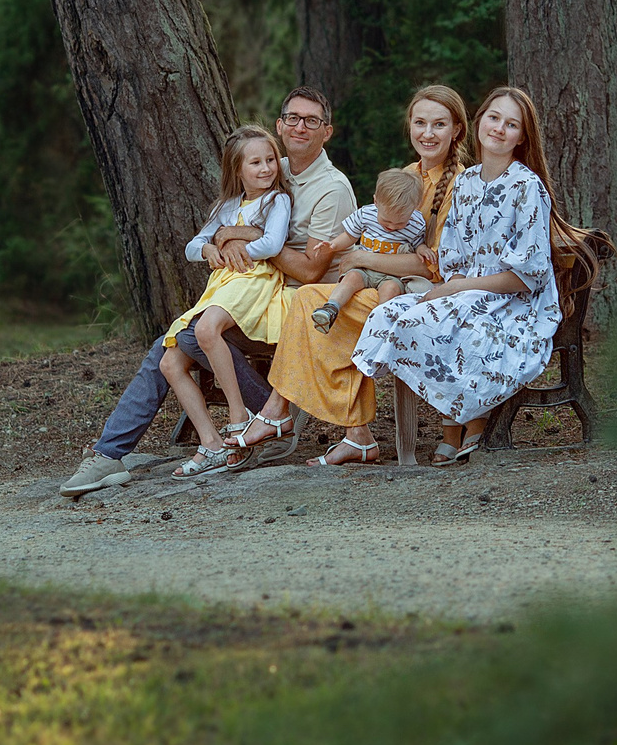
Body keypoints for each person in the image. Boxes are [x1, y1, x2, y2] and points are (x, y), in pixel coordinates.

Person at [58, 87, 356, 494]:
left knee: (187, 335)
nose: (300, 127)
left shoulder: (331, 188)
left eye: (312, 120)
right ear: (279, 125)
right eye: (293, 118)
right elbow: (212, 234)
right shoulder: (271, 167)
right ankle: (111, 454)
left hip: (303, 299)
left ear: (328, 131)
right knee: (171, 347)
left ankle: (265, 415)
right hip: (253, 290)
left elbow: (309, 270)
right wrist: (222, 242)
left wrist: (244, 235)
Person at [228, 85, 470, 466]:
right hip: (382, 283)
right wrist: (349, 254)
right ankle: (354, 434)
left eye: (438, 124)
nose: (427, 133)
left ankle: (286, 415)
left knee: (314, 301)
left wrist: (361, 257)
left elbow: (436, 264)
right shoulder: (405, 176)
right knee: (311, 299)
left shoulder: (462, 184)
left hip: (424, 294)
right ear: (409, 126)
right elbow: (368, 229)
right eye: (420, 123)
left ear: (456, 130)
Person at [351, 85, 563, 466]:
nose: (499, 129)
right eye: (494, 118)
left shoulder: (527, 186)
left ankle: (468, 423)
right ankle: (455, 422)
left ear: (522, 136)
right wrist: (454, 287)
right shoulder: (465, 183)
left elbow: (526, 276)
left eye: (511, 124)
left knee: (447, 320)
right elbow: (452, 259)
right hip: (465, 289)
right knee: (390, 313)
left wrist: (458, 288)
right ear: (479, 122)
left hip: (516, 300)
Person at [159, 127, 293, 472]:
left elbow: (273, 245)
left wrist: (233, 240)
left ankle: (238, 416)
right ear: (237, 170)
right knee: (169, 363)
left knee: (206, 330)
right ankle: (212, 442)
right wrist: (208, 247)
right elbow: (192, 247)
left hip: (254, 277)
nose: (266, 168)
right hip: (222, 284)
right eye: (256, 163)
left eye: (270, 160)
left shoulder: (277, 200)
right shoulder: (226, 205)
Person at [308, 167, 428, 333]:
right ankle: (331, 308)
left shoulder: (416, 224)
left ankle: (381, 324)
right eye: (386, 221)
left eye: (400, 224)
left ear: (415, 208)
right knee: (351, 278)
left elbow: (417, 243)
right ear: (376, 202)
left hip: (392, 274)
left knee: (391, 289)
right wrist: (333, 245)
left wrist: (422, 248)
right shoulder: (366, 214)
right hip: (365, 269)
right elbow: (350, 235)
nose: (392, 227)